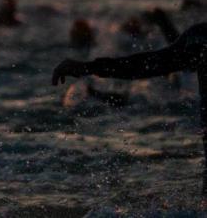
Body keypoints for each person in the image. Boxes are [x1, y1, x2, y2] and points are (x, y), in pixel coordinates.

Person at [52, 22, 207, 193]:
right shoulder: (200, 38)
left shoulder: (200, 37)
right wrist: (89, 67)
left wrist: (88, 67)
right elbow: (150, 63)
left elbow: (149, 64)